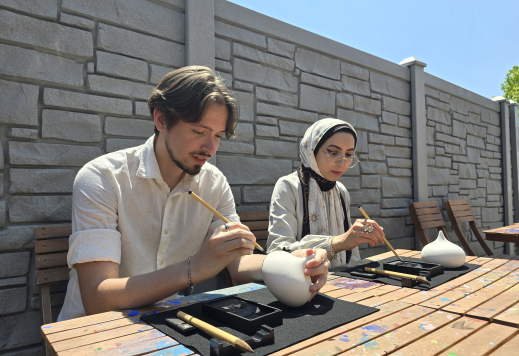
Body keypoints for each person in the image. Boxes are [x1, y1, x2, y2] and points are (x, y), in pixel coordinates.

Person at [58, 66, 329, 321]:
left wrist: (289, 263)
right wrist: (192, 269)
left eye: (218, 136)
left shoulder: (214, 182)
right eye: (199, 131)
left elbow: (238, 264)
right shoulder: (103, 178)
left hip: (168, 322)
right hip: (91, 333)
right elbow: (97, 299)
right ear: (161, 119)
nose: (210, 148)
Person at [267, 118, 385, 267]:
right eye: (333, 152)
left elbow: (350, 256)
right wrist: (337, 243)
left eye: (349, 155)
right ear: (312, 149)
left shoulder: (341, 191)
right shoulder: (288, 186)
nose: (342, 163)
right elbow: (278, 253)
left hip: (341, 278)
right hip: (304, 279)